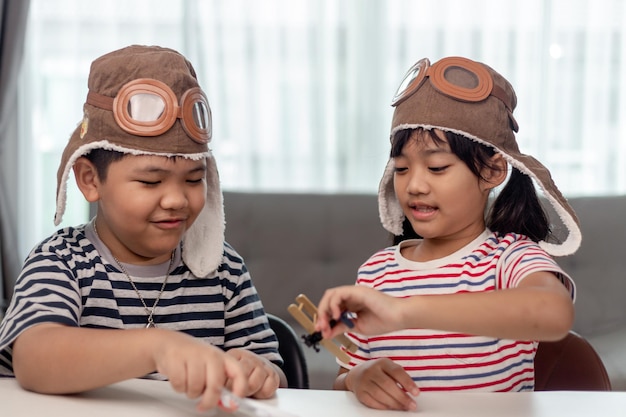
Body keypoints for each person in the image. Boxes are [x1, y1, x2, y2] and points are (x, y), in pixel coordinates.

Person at [0, 45, 286, 412]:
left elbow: (271, 369)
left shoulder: (223, 269)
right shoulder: (61, 261)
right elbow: (34, 360)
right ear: (90, 179)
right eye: (151, 182)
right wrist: (157, 347)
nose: (176, 200)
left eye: (194, 179)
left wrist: (258, 372)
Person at [314, 56, 582, 411]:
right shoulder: (376, 272)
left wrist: (404, 311)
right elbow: (345, 375)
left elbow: (553, 313)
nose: (415, 185)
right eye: (402, 168)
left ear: (492, 171)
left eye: (437, 167)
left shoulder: (509, 258)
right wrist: (357, 378)